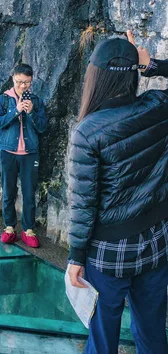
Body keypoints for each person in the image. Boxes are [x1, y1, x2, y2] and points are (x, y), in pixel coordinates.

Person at [66, 32, 168, 353]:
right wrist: (151, 64)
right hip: (157, 242)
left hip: (109, 252)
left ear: (96, 77)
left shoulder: (87, 132)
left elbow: (83, 205)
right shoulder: (158, 107)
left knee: (102, 339)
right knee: (152, 331)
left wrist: (76, 258)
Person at [0, 64, 47, 248]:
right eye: (19, 82)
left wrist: (30, 112)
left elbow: (43, 127)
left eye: (27, 82)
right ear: (13, 78)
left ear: (32, 81)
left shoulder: (37, 101)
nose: (23, 86)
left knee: (29, 192)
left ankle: (28, 229)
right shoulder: (2, 100)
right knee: (8, 190)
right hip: (8, 152)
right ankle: (9, 227)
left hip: (30, 153)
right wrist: (16, 110)